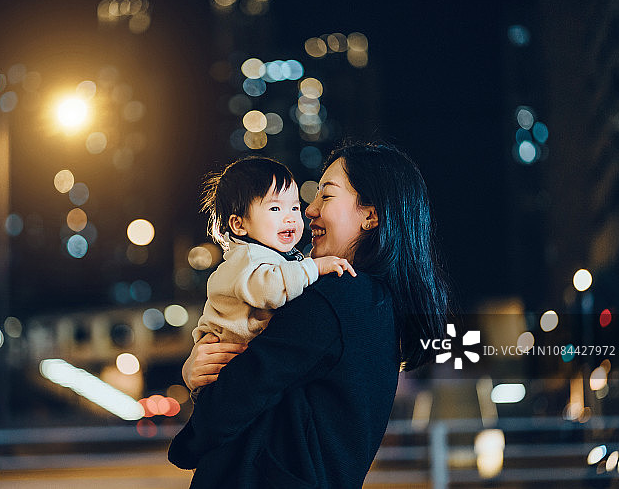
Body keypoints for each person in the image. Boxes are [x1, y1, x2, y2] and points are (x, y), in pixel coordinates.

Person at [168, 141, 450, 488]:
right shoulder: (375, 303)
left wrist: (197, 398)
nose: (309, 210)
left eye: (326, 196)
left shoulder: (335, 298)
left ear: (370, 215)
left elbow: (230, 403)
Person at [193, 156, 355, 345]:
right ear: (239, 224)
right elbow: (269, 291)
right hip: (227, 355)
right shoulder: (248, 258)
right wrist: (313, 268)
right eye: (276, 208)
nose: (291, 218)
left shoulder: (271, 255)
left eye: (295, 207)